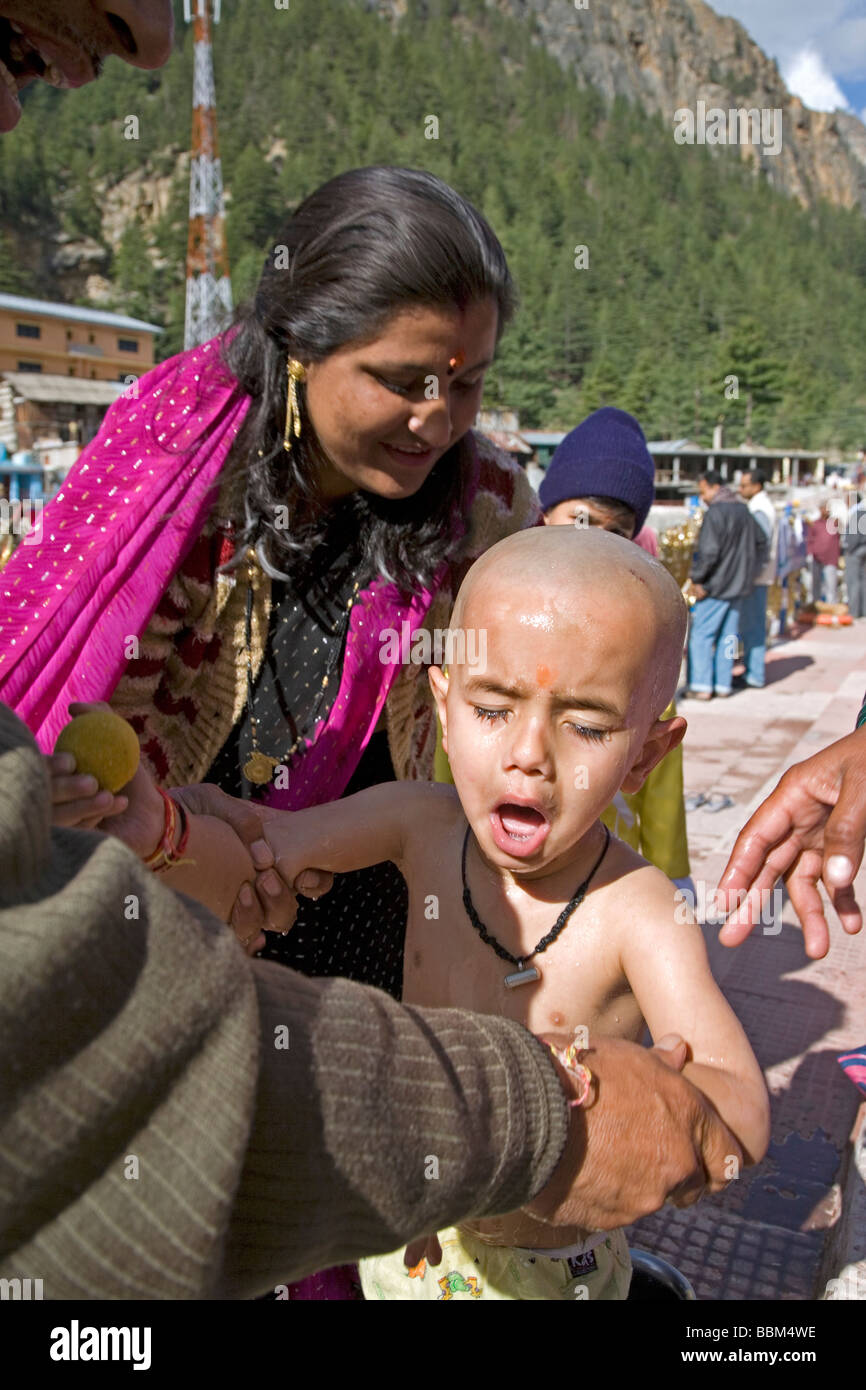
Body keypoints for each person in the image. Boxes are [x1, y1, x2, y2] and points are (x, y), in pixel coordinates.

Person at [0, 0, 746, 1301]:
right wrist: (137, 820)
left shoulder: (484, 511)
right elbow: (66, 690)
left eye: (464, 380)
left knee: (354, 1227)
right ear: (300, 346)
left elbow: (509, 744)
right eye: (404, 375)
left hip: (364, 905)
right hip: (172, 891)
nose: (435, 416)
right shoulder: (169, 456)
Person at [79, 528, 770, 1301]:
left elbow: (741, 1106)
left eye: (586, 725)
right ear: (443, 707)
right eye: (492, 708)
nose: (528, 754)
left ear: (645, 755)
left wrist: (617, 1097)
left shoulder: (639, 909)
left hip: (552, 1279)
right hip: (407, 1243)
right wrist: (162, 834)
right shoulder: (419, 823)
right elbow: (262, 851)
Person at [538, 406, 691, 885]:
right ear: (545, 513)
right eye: (580, 519)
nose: (595, 542)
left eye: (616, 531)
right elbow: (452, 739)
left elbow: (660, 768)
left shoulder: (642, 641)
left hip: (604, 867)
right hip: (498, 857)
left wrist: (672, 876)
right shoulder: (495, 611)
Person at [684, 471, 767, 700]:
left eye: (703, 492)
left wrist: (698, 579)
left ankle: (701, 685)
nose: (703, 498)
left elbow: (709, 552)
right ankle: (723, 684)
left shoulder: (716, 512)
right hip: (739, 586)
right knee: (728, 638)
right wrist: (749, 571)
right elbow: (761, 542)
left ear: (714, 487)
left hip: (715, 587)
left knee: (702, 636)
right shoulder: (743, 509)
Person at [737, 469, 777, 689]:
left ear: (757, 486)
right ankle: (751, 671)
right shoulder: (759, 506)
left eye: (744, 486)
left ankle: (754, 675)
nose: (740, 490)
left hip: (756, 577)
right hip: (757, 575)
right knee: (751, 626)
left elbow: (759, 545)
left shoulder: (760, 508)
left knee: (753, 627)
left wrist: (750, 574)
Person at [806, 501, 841, 604]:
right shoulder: (815, 524)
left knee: (831, 585)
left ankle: (831, 607)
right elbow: (810, 540)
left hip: (830, 558)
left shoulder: (834, 523)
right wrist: (810, 553)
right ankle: (815, 606)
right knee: (815, 584)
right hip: (816, 559)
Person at [842, 496, 866, 619]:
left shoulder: (857, 513)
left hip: (855, 551)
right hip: (863, 549)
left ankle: (854, 612)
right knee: (863, 581)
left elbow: (853, 536)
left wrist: (848, 549)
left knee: (853, 582)